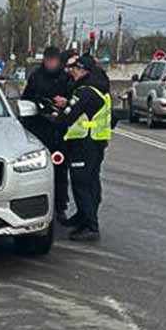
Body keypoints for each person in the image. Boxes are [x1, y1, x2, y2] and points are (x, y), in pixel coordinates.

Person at [48, 53, 111, 241]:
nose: (71, 73)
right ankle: (84, 217)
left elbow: (68, 117)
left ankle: (91, 226)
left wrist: (53, 117)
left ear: (83, 70)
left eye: (74, 69)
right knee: (91, 181)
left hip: (85, 143)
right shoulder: (99, 89)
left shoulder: (85, 92)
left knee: (81, 183)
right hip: (95, 142)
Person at [21, 46, 72, 223]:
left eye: (54, 61)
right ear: (44, 60)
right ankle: (34, 206)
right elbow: (25, 100)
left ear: (59, 62)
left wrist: (65, 104)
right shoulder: (36, 77)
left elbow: (74, 102)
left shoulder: (65, 78)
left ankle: (60, 207)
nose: (51, 64)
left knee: (60, 170)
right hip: (38, 128)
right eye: (48, 60)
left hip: (58, 131)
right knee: (36, 170)